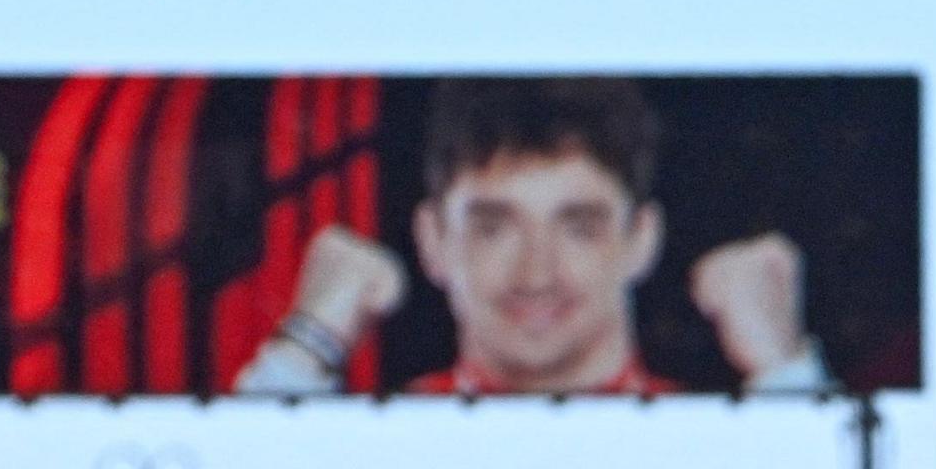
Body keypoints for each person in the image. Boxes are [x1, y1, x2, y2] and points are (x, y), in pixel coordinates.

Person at [234, 77, 824, 399]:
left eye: (579, 227)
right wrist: (305, 345)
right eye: (493, 226)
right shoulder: (382, 428)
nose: (537, 273)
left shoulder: (711, 430)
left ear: (641, 240)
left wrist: (782, 369)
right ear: (432, 240)